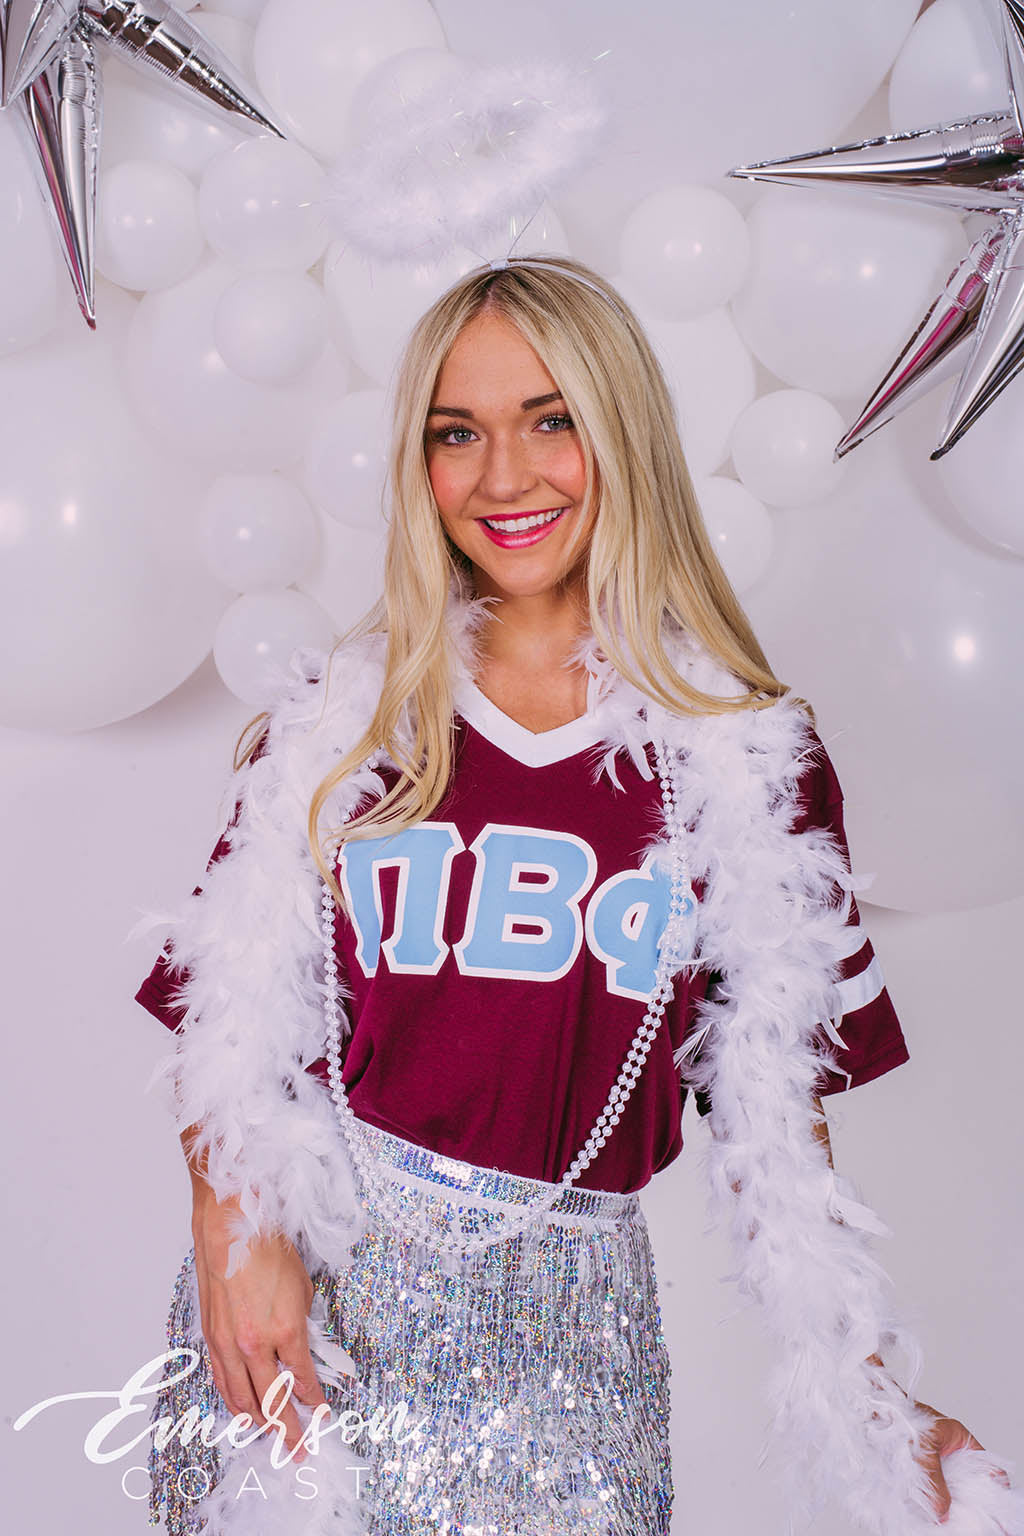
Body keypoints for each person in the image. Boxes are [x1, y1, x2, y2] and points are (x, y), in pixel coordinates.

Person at [134, 254, 993, 1536]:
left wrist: (868, 1399)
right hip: (307, 1319)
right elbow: (226, 1035)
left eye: (550, 421)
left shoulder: (744, 765)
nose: (503, 477)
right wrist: (233, 1234)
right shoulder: (333, 733)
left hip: (576, 1360)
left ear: (621, 433)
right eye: (456, 433)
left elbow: (775, 1132)